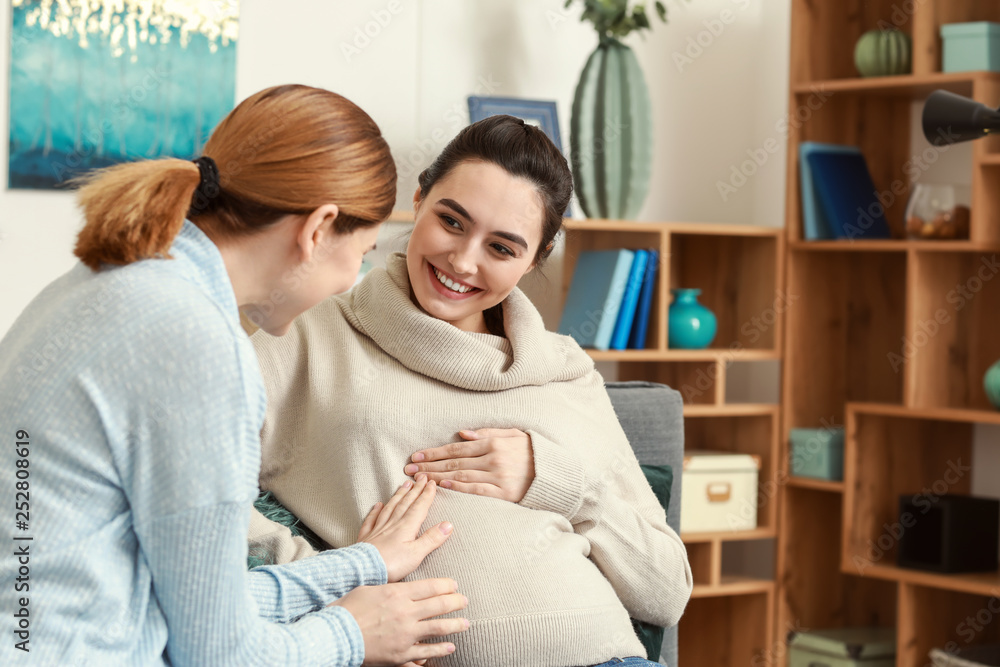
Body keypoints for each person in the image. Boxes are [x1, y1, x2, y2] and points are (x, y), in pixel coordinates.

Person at [0, 84, 469, 667]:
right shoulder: (196, 343)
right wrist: (350, 636)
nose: (354, 279)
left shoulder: (105, 282)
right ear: (318, 229)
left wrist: (363, 566)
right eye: (364, 252)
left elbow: (192, 601)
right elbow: (218, 653)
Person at [248, 114, 694, 667]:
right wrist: (344, 587)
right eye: (452, 221)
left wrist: (555, 481)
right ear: (419, 198)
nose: (462, 261)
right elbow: (203, 499)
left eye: (502, 248)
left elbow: (667, 592)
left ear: (536, 258)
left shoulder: (565, 371)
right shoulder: (308, 332)